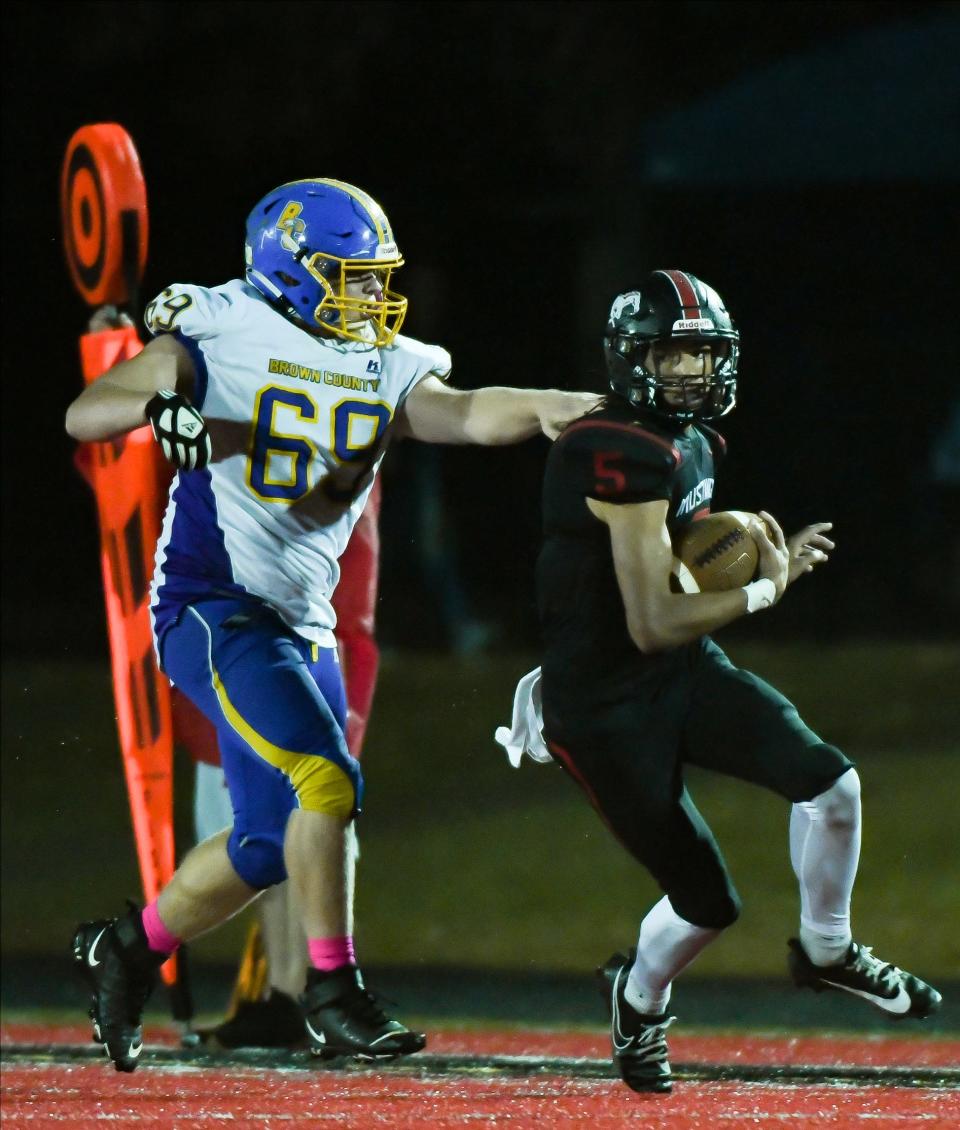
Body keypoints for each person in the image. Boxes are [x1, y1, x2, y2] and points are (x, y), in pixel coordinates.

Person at [66, 177, 598, 1073]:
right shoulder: (221, 325)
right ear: (290, 268)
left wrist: (546, 404)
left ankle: (125, 948)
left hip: (301, 617)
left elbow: (460, 411)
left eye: (372, 277)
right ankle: (331, 990)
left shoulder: (381, 359)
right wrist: (163, 408)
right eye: (348, 276)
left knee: (268, 844)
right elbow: (87, 412)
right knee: (328, 779)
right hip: (213, 601)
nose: (369, 297)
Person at [524, 270, 941, 1094]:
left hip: (678, 673)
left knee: (833, 787)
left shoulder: (701, 443)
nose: (695, 372)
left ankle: (827, 950)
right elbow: (647, 619)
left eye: (706, 354)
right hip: (602, 708)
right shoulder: (614, 449)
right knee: (706, 904)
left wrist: (742, 554)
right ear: (633, 356)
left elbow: (678, 576)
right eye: (676, 354)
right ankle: (637, 1000)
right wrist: (761, 588)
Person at [181, 480, 383, 1050]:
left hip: (291, 635)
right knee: (263, 834)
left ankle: (311, 990)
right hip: (253, 632)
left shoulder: (338, 444)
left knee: (303, 821)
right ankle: (291, 990)